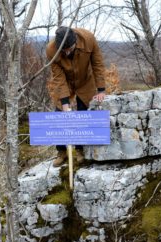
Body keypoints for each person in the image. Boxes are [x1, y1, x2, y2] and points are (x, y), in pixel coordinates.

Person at [46, 26, 106, 167]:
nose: (67, 52)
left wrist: (101, 89)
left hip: (85, 81)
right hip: (65, 82)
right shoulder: (51, 50)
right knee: (60, 114)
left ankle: (80, 149)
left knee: (82, 113)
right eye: (63, 50)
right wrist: (65, 103)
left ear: (75, 41)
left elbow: (97, 64)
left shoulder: (89, 39)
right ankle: (61, 152)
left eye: (69, 48)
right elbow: (58, 77)